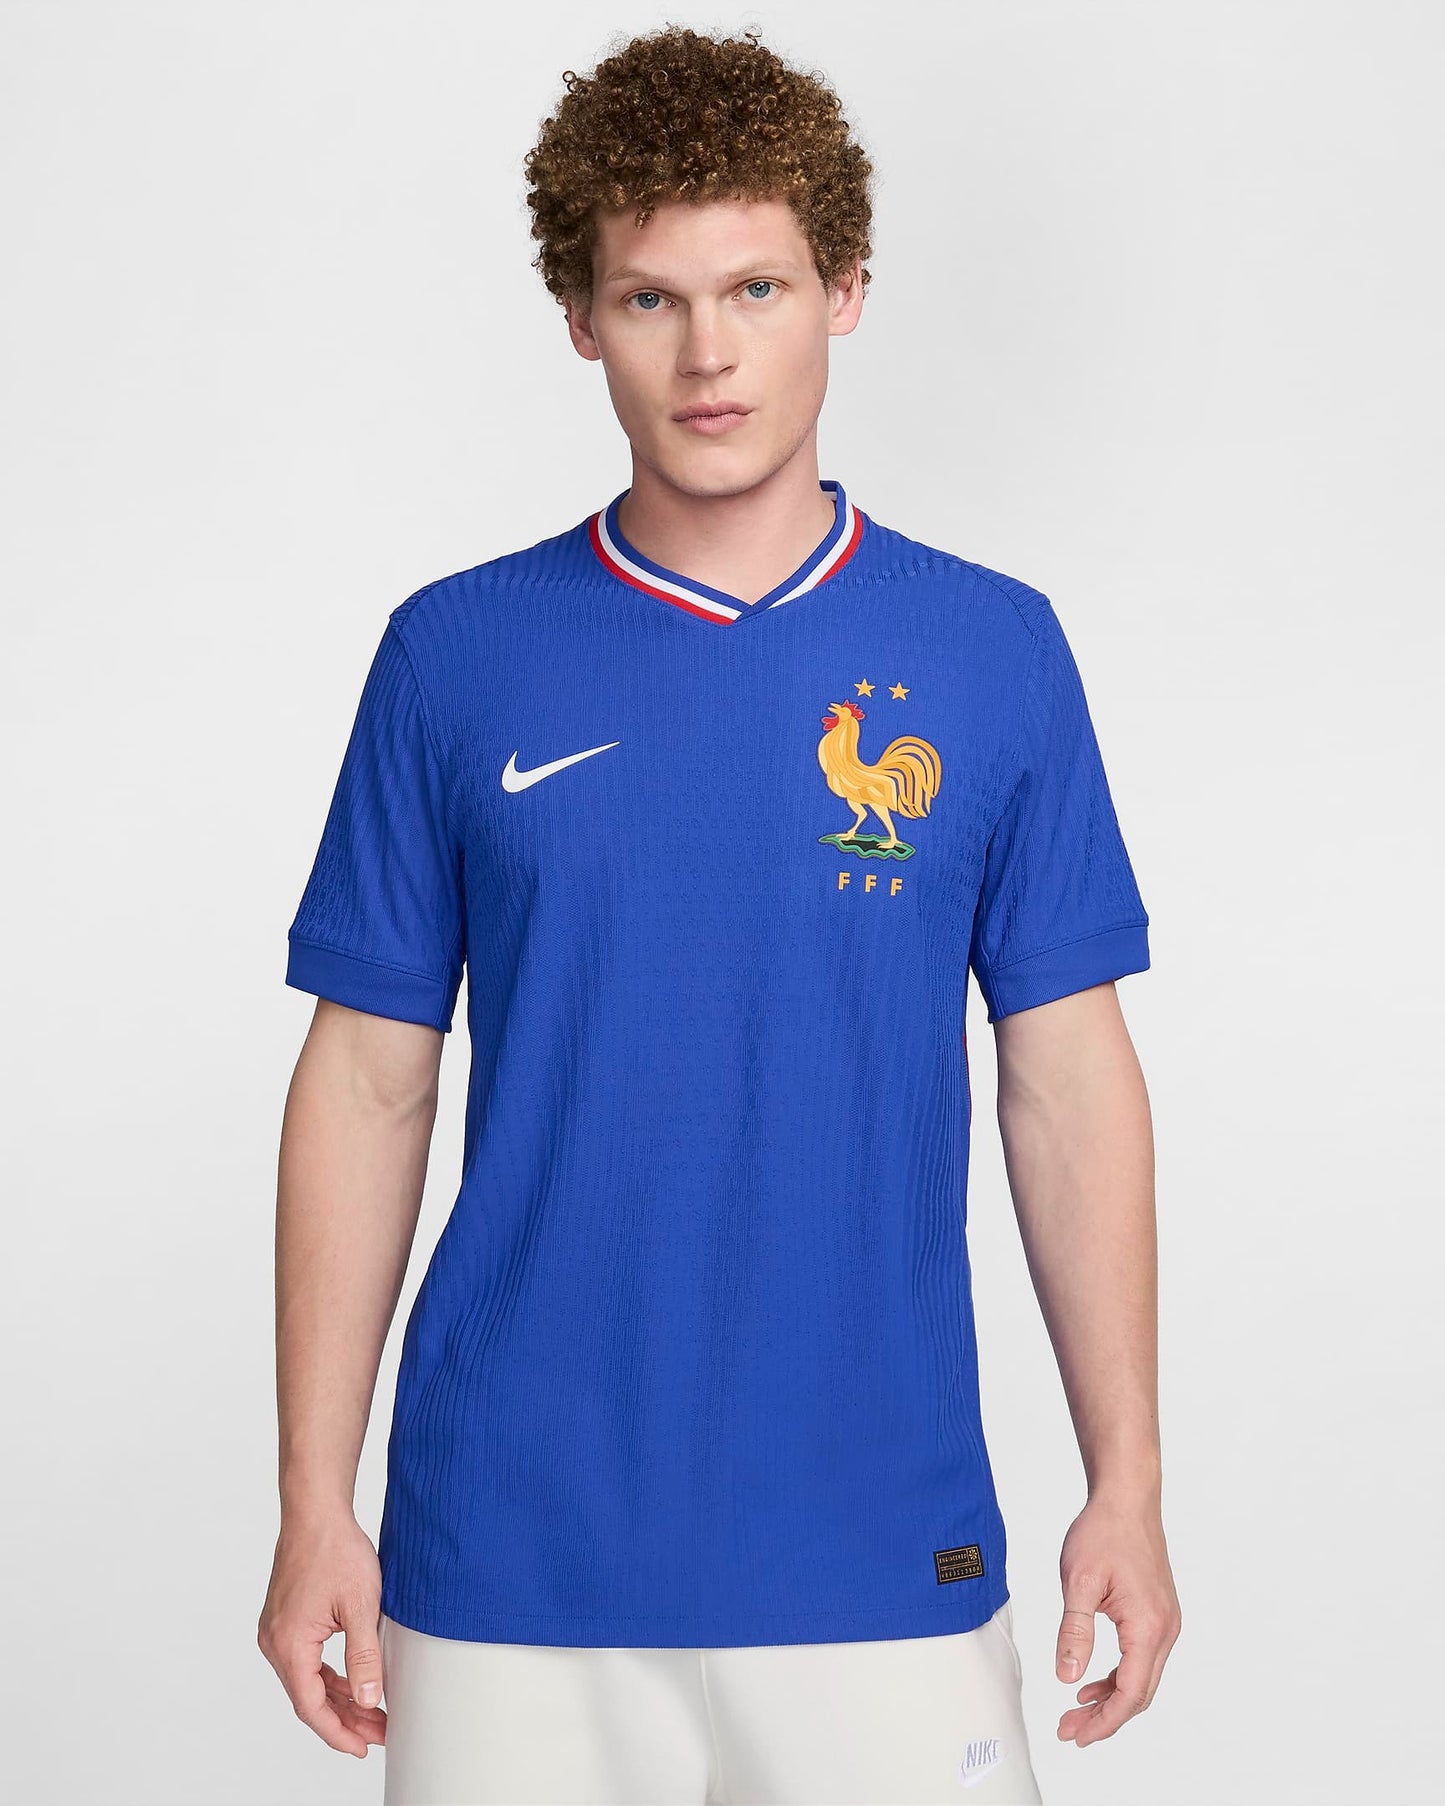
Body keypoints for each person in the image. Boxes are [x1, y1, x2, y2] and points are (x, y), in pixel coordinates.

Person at [257, 23, 1181, 1805]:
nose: (706, 353)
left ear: (844, 290)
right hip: (506, 1560)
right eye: (649, 299)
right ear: (580, 318)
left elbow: (1067, 1082)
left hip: (878, 1542)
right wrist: (313, 1500)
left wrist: (1125, 1482)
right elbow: (366, 1083)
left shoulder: (993, 651)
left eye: (754, 287)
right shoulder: (453, 655)